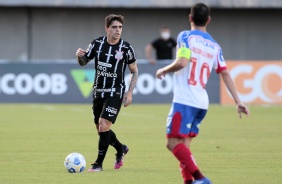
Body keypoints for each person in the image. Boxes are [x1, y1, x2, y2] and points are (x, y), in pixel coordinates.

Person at [156, 3, 249, 184]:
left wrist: (163, 70)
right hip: (201, 102)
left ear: (190, 18)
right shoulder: (215, 46)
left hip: (185, 101)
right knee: (185, 149)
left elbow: (182, 63)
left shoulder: (185, 36)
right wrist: (238, 100)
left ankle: (201, 178)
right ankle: (190, 182)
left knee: (172, 144)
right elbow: (225, 73)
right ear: (208, 20)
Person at [75, 14, 138, 172]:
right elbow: (83, 62)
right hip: (98, 92)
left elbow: (134, 71)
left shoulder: (126, 48)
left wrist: (129, 93)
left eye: (120, 27)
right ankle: (120, 148)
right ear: (107, 28)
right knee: (101, 130)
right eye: (114, 27)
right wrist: (79, 56)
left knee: (104, 126)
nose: (118, 31)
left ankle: (98, 165)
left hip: (115, 92)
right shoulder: (97, 43)